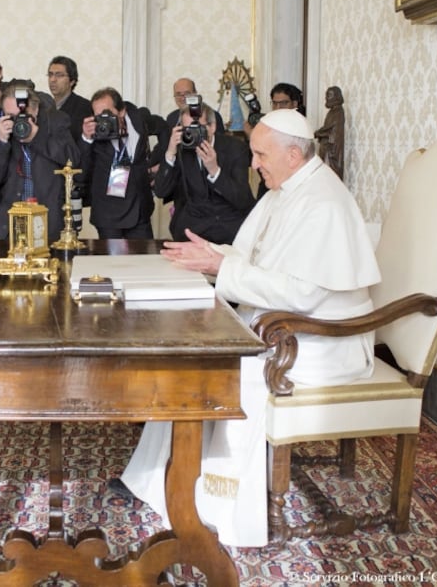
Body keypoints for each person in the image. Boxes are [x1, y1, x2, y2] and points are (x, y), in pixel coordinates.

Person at [113, 109, 380, 546]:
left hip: (323, 341)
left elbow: (305, 295)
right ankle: (155, 477)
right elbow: (252, 258)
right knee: (190, 349)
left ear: (294, 154)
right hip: (287, 325)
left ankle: (216, 503)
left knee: (221, 368)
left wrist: (220, 266)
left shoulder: (323, 202)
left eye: (260, 154)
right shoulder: (285, 190)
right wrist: (211, 254)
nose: (253, 164)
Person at [0, 83, 79, 241]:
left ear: (35, 109)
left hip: (47, 219)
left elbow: (72, 159)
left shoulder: (55, 121)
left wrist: (37, 137)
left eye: (22, 114)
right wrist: (2, 141)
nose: (17, 121)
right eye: (11, 115)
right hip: (9, 222)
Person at [154, 100, 254, 245]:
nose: (191, 133)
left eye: (197, 128)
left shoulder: (235, 148)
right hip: (192, 227)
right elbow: (161, 191)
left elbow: (243, 200)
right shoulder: (181, 149)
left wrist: (215, 171)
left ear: (212, 127)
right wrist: (170, 153)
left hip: (228, 228)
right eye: (187, 129)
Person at [78, 87, 165, 239]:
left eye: (107, 114)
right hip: (108, 216)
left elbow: (164, 128)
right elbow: (80, 172)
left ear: (122, 111)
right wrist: (86, 138)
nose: (102, 120)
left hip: (140, 212)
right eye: (97, 116)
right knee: (113, 263)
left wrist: (160, 163)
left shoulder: (139, 118)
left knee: (144, 260)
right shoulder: (95, 132)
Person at [47, 56, 92, 145]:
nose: (53, 80)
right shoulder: (43, 106)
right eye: (50, 74)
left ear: (72, 81)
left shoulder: (84, 107)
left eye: (59, 75)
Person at [314, 85, 345, 180]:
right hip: (326, 148)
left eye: (329, 95)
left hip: (332, 151)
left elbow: (333, 134)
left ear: (337, 97)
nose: (326, 98)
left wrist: (319, 133)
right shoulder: (332, 112)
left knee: (330, 177)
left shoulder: (338, 112)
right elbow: (327, 129)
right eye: (326, 95)